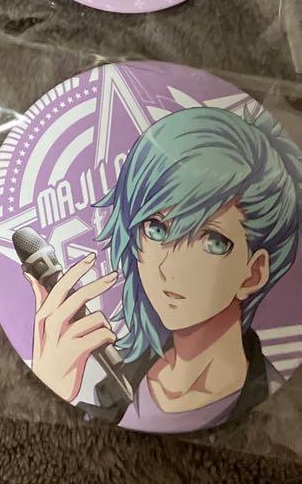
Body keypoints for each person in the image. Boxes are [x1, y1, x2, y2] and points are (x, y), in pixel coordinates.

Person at [25, 106, 302, 431]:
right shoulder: (114, 383)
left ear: (253, 272)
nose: (170, 266)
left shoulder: (278, 411)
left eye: (213, 241)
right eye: (156, 228)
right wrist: (51, 386)